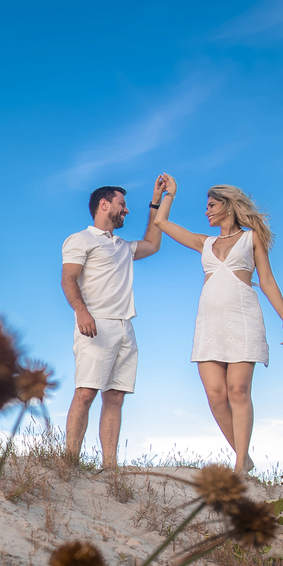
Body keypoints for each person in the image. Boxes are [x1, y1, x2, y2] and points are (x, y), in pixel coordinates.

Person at [153, 176, 283, 473]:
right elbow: (161, 223)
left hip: (243, 319)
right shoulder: (204, 242)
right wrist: (169, 194)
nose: (206, 212)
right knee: (216, 395)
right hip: (209, 324)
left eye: (211, 205)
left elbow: (266, 280)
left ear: (228, 207)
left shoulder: (251, 237)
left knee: (238, 390)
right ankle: (243, 454)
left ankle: (240, 463)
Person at [61, 177, 166, 469]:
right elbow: (68, 278)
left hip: (125, 327)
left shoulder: (122, 245)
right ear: (104, 205)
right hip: (95, 324)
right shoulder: (80, 239)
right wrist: (81, 312)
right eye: (122, 204)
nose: (125, 210)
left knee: (115, 397)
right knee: (85, 392)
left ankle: (110, 466)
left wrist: (155, 202)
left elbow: (153, 244)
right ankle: (70, 461)